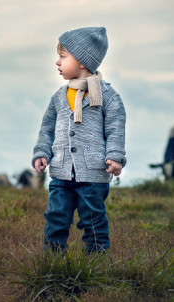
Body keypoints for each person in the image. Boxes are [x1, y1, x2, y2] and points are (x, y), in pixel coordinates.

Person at [32, 27, 126, 253]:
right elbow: (47, 128)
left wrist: (115, 156)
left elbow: (116, 128)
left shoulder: (108, 96)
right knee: (56, 219)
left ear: (83, 61)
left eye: (63, 57)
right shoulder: (58, 97)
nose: (57, 62)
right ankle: (53, 263)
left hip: (93, 173)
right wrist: (42, 152)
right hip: (61, 172)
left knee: (93, 222)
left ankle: (95, 265)